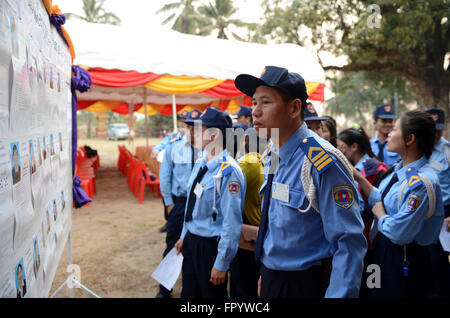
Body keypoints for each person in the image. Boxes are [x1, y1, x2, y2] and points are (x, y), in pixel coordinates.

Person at [234, 65, 367, 298]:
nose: (255, 111)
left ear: (294, 108)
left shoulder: (321, 161)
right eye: (254, 102)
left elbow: (348, 243)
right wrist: (268, 271)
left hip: (306, 285)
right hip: (274, 277)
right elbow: (275, 224)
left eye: (265, 102)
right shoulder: (274, 152)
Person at [353, 110, 444, 298]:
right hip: (382, 253)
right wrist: (356, 176)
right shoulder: (399, 170)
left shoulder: (421, 182)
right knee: (375, 293)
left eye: (394, 129)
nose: (388, 134)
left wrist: (379, 214)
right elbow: (381, 197)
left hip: (404, 258)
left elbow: (399, 232)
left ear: (409, 138)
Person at [174, 107, 246, 298]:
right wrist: (184, 235)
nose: (193, 133)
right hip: (192, 241)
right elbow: (193, 201)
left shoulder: (229, 172)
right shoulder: (202, 160)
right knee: (189, 294)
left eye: (200, 129)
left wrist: (221, 263)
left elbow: (231, 224)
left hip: (211, 248)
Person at [336, 124, 387, 297]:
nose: (338, 151)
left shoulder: (375, 169)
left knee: (372, 285)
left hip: (370, 241)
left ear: (354, 147)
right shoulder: (353, 167)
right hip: (358, 240)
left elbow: (376, 206)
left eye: (341, 148)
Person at [155, 110, 200, 298]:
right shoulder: (173, 148)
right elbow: (165, 177)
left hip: (199, 205)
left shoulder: (207, 151)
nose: (191, 131)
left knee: (195, 246)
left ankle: (192, 288)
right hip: (179, 204)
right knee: (172, 246)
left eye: (195, 127)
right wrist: (169, 204)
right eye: (188, 126)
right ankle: (165, 288)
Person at [229, 124, 265, 298]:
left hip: (246, 233)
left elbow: (226, 180)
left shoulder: (249, 162)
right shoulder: (261, 160)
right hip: (257, 232)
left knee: (242, 285)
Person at [424, 107, 450, 298]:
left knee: (439, 259)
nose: (436, 134)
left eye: (439, 130)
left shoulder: (447, 151)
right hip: (422, 211)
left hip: (444, 213)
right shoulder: (417, 147)